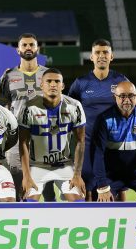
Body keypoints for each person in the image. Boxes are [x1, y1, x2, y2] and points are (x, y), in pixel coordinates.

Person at [67, 39, 129, 200]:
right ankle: (89, 223)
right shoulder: (80, 83)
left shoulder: (121, 81)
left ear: (111, 56)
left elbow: (132, 109)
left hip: (114, 146)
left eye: (105, 52)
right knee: (88, 190)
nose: (101, 56)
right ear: (91, 57)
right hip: (88, 146)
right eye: (98, 53)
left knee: (118, 189)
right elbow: (68, 111)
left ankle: (123, 220)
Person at [0, 33, 55, 201]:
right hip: (16, 136)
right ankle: (21, 220)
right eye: (24, 45)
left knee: (47, 185)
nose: (28, 48)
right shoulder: (8, 76)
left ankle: (53, 221)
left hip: (43, 136)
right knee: (17, 179)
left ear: (37, 49)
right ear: (18, 50)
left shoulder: (49, 75)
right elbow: (1, 108)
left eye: (31, 45)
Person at [18, 68, 87, 202]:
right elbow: (23, 143)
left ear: (63, 86)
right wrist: (26, 176)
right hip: (37, 165)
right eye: (49, 81)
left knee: (79, 203)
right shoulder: (29, 108)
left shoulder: (74, 106)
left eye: (57, 81)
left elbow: (81, 141)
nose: (53, 84)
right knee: (27, 204)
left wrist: (77, 174)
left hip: (64, 165)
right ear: (41, 85)